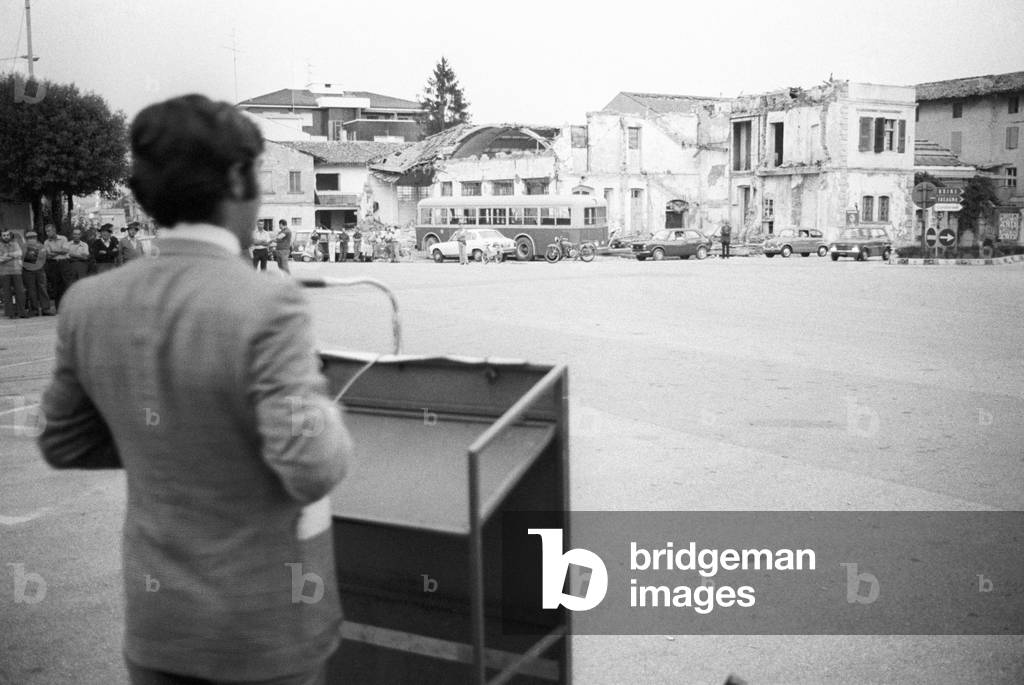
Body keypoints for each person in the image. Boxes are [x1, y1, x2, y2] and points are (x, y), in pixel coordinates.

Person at [37, 94, 352, 685]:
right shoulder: (267, 302)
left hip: (159, 629)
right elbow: (312, 468)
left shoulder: (88, 303)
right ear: (236, 178)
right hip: (262, 631)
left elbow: (64, 441)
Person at [21, 230, 55, 316]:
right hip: (27, 270)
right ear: (26, 238)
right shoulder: (22, 246)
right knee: (31, 290)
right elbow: (22, 256)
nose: (31, 239)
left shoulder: (41, 246)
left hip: (40, 269)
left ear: (36, 238)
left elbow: (43, 256)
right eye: (29, 238)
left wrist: (31, 253)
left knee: (42, 288)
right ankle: (34, 310)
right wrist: (32, 253)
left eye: (33, 237)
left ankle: (46, 309)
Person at [43, 223, 73, 308]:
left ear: (54, 230)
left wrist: (54, 251)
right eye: (46, 231)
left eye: (49, 231)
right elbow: (48, 255)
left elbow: (65, 251)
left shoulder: (63, 238)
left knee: (67, 284)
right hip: (53, 264)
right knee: (56, 285)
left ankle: (70, 306)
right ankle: (58, 307)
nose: (47, 233)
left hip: (64, 263)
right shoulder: (46, 242)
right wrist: (59, 251)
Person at [0, 229, 27, 318]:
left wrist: (7, 255)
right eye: (4, 235)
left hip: (16, 270)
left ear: (10, 236)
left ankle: (22, 312)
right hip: (4, 272)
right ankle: (10, 313)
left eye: (7, 235)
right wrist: (12, 256)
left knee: (20, 292)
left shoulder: (15, 243)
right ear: (1, 236)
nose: (6, 237)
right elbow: (0, 259)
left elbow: (19, 253)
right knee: (7, 293)